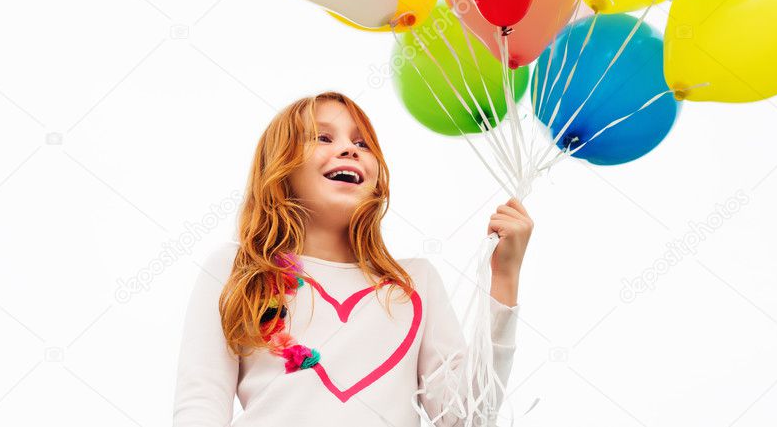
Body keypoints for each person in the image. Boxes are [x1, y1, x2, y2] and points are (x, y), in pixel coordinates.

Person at [172, 91, 533, 426]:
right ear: (280, 168)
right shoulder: (239, 267)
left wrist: (504, 277)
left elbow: (465, 418)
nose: (349, 149)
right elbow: (201, 402)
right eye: (323, 138)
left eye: (362, 143)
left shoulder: (414, 282)